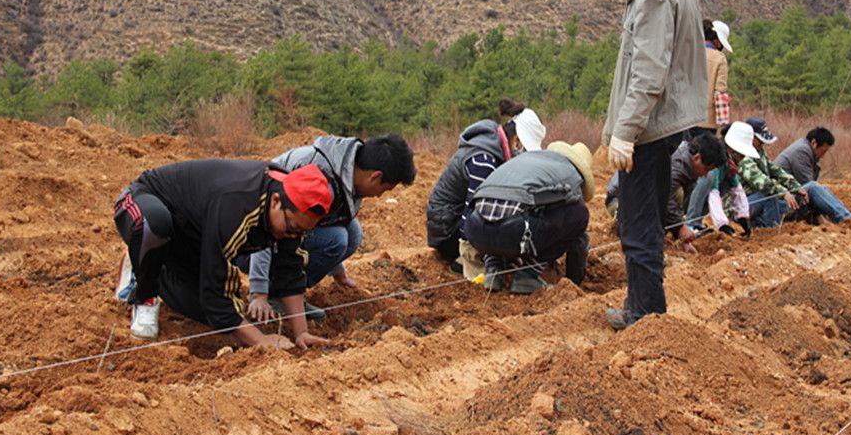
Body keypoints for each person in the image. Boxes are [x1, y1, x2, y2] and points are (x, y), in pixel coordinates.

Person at [582, 0, 707, 331]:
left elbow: (648, 73)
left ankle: (645, 315)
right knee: (647, 221)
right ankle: (646, 310)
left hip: (649, 130)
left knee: (637, 227)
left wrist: (625, 132)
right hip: (665, 123)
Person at [113, 160, 331, 348]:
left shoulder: (295, 211)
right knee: (154, 225)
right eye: (292, 228)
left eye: (301, 232)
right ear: (275, 201)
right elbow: (217, 287)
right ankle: (144, 285)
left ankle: (154, 266)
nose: (293, 236)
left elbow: (289, 269)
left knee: (209, 312)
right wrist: (260, 340)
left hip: (193, 236)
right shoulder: (239, 204)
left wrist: (301, 332)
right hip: (145, 200)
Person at [244, 133, 416, 324]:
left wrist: (339, 274)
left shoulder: (349, 173)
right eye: (385, 189)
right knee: (337, 239)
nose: (379, 196)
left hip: (281, 239)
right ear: (375, 176)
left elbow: (332, 220)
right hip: (247, 243)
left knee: (353, 233)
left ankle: (290, 294)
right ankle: (279, 294)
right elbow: (266, 224)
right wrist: (259, 292)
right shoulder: (320, 179)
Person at [426, 98, 545, 274]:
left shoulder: (494, 148)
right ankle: (461, 260)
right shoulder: (484, 160)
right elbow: (475, 211)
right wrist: (474, 255)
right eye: (526, 150)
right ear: (517, 142)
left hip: (452, 220)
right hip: (447, 232)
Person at [463, 141, 593, 294]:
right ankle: (528, 275)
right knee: (579, 213)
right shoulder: (572, 174)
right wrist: (574, 282)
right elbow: (577, 236)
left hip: (473, 228)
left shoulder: (529, 160)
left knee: (499, 210)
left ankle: (494, 270)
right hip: (512, 231)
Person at [741, 118, 851, 226]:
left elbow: (777, 171)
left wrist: (796, 187)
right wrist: (783, 192)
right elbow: (761, 181)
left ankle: (845, 218)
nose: (762, 143)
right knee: (811, 188)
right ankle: (845, 218)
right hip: (753, 202)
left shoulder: (759, 151)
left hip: (773, 198)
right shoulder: (743, 155)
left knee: (809, 190)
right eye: (759, 139)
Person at [775, 126, 851, 223]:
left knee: (820, 189)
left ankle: (843, 216)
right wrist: (820, 216)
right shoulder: (802, 151)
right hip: (782, 202)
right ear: (814, 143)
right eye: (823, 151)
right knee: (814, 187)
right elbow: (807, 189)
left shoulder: (805, 148)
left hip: (788, 198)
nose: (823, 156)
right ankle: (846, 218)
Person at [699, 19, 731, 135]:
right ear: (717, 41)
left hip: (685, 120)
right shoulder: (719, 58)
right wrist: (723, 120)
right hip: (707, 121)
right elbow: (720, 91)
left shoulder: (691, 51)